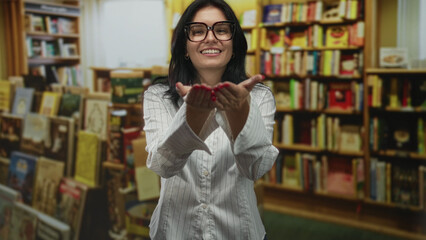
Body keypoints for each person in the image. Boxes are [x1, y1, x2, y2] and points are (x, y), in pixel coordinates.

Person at [143, 0, 279, 239]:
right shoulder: (158, 96)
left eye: (222, 30)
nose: (210, 37)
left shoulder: (259, 96)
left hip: (239, 231)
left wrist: (238, 114)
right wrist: (193, 118)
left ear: (234, 44)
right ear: (185, 47)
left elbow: (255, 168)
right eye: (197, 31)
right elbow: (163, 166)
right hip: (174, 230)